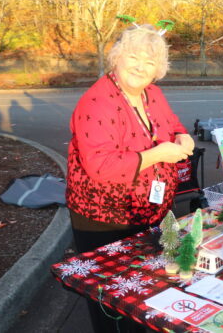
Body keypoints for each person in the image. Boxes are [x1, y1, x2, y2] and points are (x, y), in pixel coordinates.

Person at [66, 24, 194, 332]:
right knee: (110, 300)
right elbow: (100, 167)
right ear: (116, 58)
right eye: (134, 56)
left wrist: (184, 137)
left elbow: (173, 123)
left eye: (150, 62)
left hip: (149, 213)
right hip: (106, 220)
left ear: (158, 70)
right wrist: (158, 155)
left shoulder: (153, 93)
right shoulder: (96, 102)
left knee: (144, 295)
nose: (140, 66)